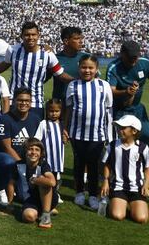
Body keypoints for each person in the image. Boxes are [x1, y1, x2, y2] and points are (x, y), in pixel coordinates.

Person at [65, 54, 113, 210]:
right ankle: (79, 192)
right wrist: (65, 128)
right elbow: (69, 109)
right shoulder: (73, 85)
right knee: (79, 163)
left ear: (96, 69)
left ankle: (93, 195)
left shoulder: (103, 85)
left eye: (90, 68)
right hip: (77, 133)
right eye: (84, 67)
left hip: (97, 134)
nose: (87, 70)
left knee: (93, 165)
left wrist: (109, 132)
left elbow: (108, 110)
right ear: (79, 68)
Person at [0, 22, 72, 118]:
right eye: (27, 35)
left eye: (33, 34)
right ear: (22, 36)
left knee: (35, 133)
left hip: (36, 102)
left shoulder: (47, 54)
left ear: (38, 35)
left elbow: (60, 74)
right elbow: (4, 65)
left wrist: (78, 80)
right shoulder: (13, 50)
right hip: (14, 101)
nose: (30, 37)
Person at [0, 87, 41, 207]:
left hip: (26, 158)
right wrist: (23, 164)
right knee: (8, 161)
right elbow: (6, 148)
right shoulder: (4, 119)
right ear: (13, 101)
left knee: (23, 196)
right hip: (3, 156)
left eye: (27, 101)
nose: (24, 103)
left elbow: (37, 143)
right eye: (20, 100)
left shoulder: (35, 119)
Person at [101, 115, 149, 224]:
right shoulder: (112, 146)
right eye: (119, 127)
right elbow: (107, 165)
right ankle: (118, 202)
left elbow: (147, 168)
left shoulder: (143, 148)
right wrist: (105, 181)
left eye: (123, 128)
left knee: (142, 219)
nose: (119, 130)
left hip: (136, 188)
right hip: (118, 187)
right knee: (117, 216)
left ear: (134, 131)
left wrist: (146, 185)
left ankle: (129, 204)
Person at [9, 138, 58, 229]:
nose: (33, 152)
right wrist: (10, 204)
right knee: (29, 217)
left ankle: (46, 216)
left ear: (41, 154)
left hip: (49, 197)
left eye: (37, 150)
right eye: (30, 149)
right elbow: (11, 184)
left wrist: (35, 180)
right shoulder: (17, 165)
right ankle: (44, 211)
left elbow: (52, 182)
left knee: (43, 180)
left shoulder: (43, 165)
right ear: (25, 151)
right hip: (30, 200)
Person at [106, 40, 149, 144]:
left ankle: (143, 160)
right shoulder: (114, 67)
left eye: (135, 57)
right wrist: (126, 92)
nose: (133, 61)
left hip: (138, 108)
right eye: (130, 58)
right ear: (122, 54)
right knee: (123, 143)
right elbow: (110, 90)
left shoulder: (145, 63)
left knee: (146, 137)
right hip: (120, 110)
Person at [34, 99, 65, 203]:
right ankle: (45, 194)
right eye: (51, 111)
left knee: (55, 176)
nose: (54, 114)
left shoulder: (61, 124)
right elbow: (37, 139)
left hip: (58, 157)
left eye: (57, 111)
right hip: (47, 158)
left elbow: (63, 139)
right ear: (47, 111)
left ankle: (55, 194)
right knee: (47, 177)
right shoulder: (44, 124)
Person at [51, 27, 88, 105]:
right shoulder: (55, 59)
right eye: (77, 39)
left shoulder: (86, 58)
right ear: (66, 41)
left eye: (81, 38)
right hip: (60, 105)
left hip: (81, 103)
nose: (81, 41)